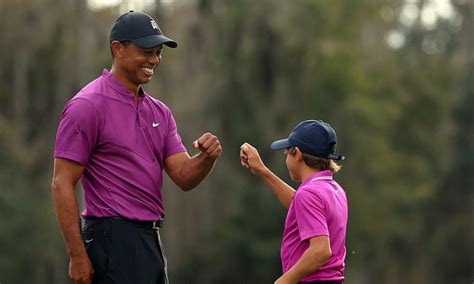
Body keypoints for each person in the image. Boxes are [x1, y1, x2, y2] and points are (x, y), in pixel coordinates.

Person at [52, 11, 222, 284]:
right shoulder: (88, 105)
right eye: (146, 51)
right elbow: (62, 182)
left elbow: (184, 176)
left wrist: (206, 157)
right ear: (117, 49)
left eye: (158, 53)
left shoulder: (160, 112)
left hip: (150, 240)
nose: (154, 60)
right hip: (112, 241)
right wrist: (77, 255)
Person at [240, 120, 347, 284]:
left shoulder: (309, 194)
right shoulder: (334, 189)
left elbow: (321, 250)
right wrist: (262, 171)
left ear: (297, 154)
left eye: (286, 153)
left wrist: (284, 281)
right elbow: (300, 206)